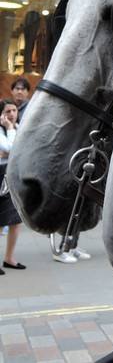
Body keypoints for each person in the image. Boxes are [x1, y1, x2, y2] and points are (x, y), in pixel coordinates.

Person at [0, 100, 25, 273]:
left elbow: (19, 149)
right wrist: (9, 128)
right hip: (1, 176)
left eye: (14, 110)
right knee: (0, 222)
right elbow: (10, 147)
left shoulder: (21, 127)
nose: (11, 114)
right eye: (7, 111)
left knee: (16, 221)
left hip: (14, 176)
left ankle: (9, 258)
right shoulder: (6, 129)